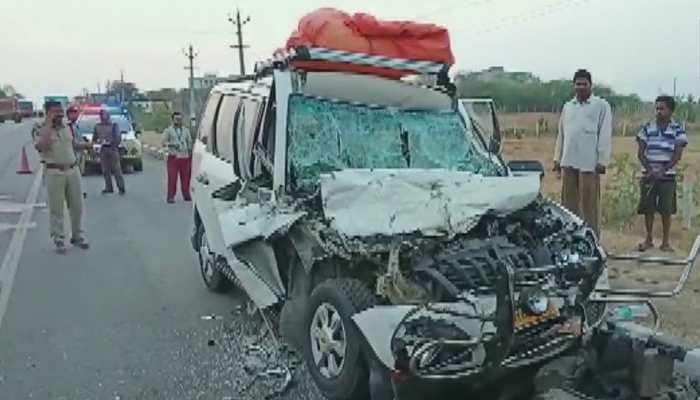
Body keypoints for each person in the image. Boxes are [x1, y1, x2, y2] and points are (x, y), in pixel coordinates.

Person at [553, 69, 613, 237]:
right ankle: (570, 237)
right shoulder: (568, 107)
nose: (580, 87)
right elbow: (562, 134)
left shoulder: (601, 106)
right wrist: (557, 158)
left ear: (590, 85)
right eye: (577, 84)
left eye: (584, 84)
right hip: (569, 160)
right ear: (573, 86)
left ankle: (591, 239)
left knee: (589, 205)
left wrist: (602, 160)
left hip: (590, 163)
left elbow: (605, 134)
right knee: (568, 204)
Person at [34, 101, 90, 253]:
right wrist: (49, 126)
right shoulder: (40, 128)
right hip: (54, 171)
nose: (60, 114)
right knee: (57, 207)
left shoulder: (67, 126)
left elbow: (72, 144)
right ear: (47, 113)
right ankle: (58, 238)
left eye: (61, 111)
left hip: (72, 169)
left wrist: (86, 145)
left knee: (77, 205)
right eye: (55, 111)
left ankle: (77, 235)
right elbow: (41, 146)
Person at [636, 96, 688, 252]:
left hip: (667, 177)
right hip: (649, 175)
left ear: (671, 111)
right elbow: (640, 152)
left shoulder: (678, 130)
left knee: (666, 210)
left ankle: (665, 242)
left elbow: (677, 154)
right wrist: (651, 171)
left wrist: (663, 171)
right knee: (648, 208)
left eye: (662, 108)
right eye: (657, 108)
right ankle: (649, 239)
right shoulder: (647, 128)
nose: (658, 111)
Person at [161, 112, 193, 203]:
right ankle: (170, 196)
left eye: (180, 119)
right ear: (173, 120)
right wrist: (172, 145)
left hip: (185, 157)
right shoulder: (168, 130)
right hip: (173, 157)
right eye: (176, 119)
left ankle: (186, 194)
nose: (178, 121)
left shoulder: (186, 130)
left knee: (186, 178)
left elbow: (189, 142)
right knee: (172, 178)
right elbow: (163, 143)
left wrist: (190, 153)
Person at [94, 109, 125, 195]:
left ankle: (121, 187)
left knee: (116, 169)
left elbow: (118, 138)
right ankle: (109, 187)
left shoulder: (114, 125)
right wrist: (97, 143)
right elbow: (95, 138)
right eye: (101, 115)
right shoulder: (97, 126)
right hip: (103, 149)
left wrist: (112, 142)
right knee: (105, 170)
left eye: (104, 115)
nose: (102, 117)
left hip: (112, 148)